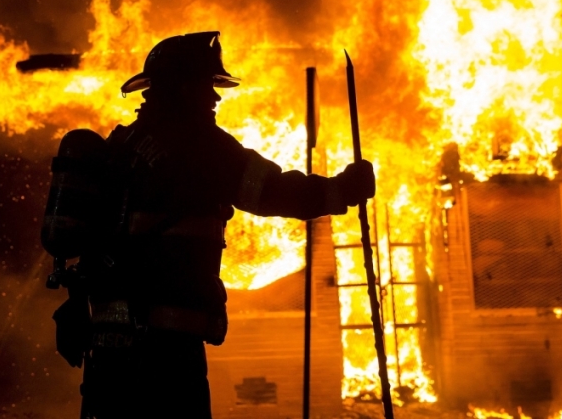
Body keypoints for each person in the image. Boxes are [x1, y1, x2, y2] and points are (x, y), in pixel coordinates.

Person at [42, 31, 375, 418]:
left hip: (107, 349)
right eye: (207, 85)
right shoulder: (201, 147)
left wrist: (76, 304)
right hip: (166, 351)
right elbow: (270, 193)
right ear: (183, 87)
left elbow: (97, 240)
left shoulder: (120, 146)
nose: (215, 97)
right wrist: (342, 191)